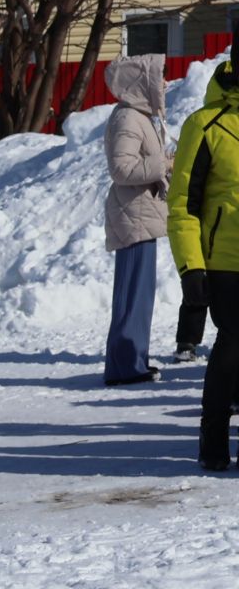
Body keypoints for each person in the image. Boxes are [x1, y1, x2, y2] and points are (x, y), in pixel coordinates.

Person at [168, 52, 239, 470]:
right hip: (226, 262)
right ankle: (213, 436)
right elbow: (182, 205)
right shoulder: (205, 124)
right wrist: (191, 266)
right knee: (233, 345)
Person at [101, 54, 171, 387]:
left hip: (142, 213)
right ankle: (124, 366)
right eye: (161, 77)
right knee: (132, 293)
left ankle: (133, 360)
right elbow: (121, 169)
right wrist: (162, 165)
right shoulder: (129, 118)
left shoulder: (141, 116)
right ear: (141, 82)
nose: (166, 84)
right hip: (133, 215)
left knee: (139, 294)